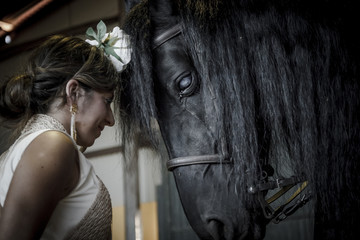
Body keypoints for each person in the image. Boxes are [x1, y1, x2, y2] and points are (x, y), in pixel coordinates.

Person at [0, 29, 129, 239]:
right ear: (74, 93)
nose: (111, 120)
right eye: (107, 101)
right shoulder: (52, 145)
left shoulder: (32, 145)